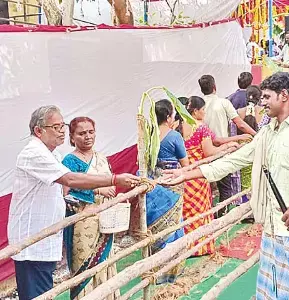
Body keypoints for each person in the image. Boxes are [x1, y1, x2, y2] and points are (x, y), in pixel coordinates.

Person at [161, 72, 289, 299]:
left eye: (266, 97)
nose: (261, 102)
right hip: (273, 229)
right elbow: (234, 160)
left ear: (284, 96)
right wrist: (186, 174)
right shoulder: (267, 132)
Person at [8, 105, 139, 300]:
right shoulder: (33, 153)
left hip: (49, 235)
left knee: (45, 290)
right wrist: (113, 180)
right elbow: (69, 180)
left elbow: (60, 191)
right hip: (33, 240)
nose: (62, 131)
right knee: (37, 293)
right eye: (56, 127)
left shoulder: (53, 155)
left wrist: (69, 200)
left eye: (63, 125)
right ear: (38, 130)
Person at [61, 117, 119, 299]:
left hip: (105, 219)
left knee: (105, 260)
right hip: (82, 221)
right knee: (84, 264)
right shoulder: (69, 161)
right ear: (72, 137)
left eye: (90, 132)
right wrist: (97, 191)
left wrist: (110, 190)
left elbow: (113, 182)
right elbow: (65, 194)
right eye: (81, 133)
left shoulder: (101, 158)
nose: (87, 136)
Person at [180, 96, 240, 256]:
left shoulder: (179, 127)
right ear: (195, 111)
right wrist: (228, 147)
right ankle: (200, 246)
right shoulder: (201, 128)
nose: (204, 112)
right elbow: (210, 152)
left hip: (184, 173)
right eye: (203, 110)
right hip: (198, 174)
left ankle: (186, 244)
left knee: (187, 209)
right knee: (199, 208)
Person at [145, 99, 188, 284]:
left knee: (157, 226)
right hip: (172, 183)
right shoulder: (175, 136)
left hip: (154, 185)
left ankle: (156, 268)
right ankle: (172, 269)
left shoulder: (148, 136)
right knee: (174, 224)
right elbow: (185, 165)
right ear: (169, 116)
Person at [198, 75, 256, 210]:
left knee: (206, 184)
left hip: (202, 149)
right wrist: (255, 134)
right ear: (214, 87)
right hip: (222, 149)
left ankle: (209, 214)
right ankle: (221, 213)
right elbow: (240, 124)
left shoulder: (199, 105)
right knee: (224, 186)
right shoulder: (223, 103)